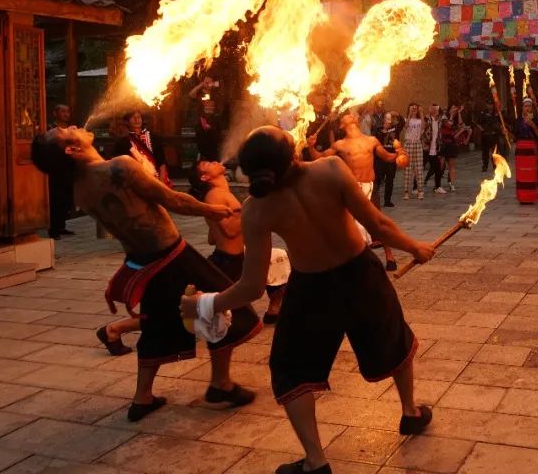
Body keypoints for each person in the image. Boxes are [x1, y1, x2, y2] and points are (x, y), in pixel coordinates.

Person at [182, 126, 435, 474]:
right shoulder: (329, 170)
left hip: (312, 290)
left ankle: (316, 462)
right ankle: (410, 412)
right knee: (393, 339)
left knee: (291, 369)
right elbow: (376, 224)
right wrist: (415, 246)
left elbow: (252, 286)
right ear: (290, 154)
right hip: (360, 275)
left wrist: (206, 304)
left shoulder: (256, 208)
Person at [29, 126, 258, 421]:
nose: (72, 126)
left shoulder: (79, 189)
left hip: (141, 262)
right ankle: (220, 386)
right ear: (70, 150)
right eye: (63, 131)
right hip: (173, 256)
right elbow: (173, 200)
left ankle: (143, 398)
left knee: (156, 324)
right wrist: (212, 211)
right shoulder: (119, 167)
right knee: (226, 307)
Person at [309, 114, 408, 271]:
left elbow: (389, 158)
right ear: (342, 125)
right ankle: (357, 258)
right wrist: (311, 146)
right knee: (352, 225)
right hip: (351, 189)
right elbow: (318, 159)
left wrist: (400, 151)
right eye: (346, 116)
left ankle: (389, 255)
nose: (350, 115)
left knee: (376, 221)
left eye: (352, 115)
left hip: (370, 187)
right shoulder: (340, 145)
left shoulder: (371, 140)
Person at [191, 160, 286, 324]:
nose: (214, 161)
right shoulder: (215, 195)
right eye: (207, 163)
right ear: (205, 177)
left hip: (233, 257)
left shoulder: (220, 192)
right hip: (229, 261)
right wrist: (250, 207)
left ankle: (274, 309)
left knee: (279, 258)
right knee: (215, 308)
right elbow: (230, 230)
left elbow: (212, 238)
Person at [112, 110, 172, 188]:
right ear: (127, 122)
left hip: (156, 179)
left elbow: (162, 162)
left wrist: (161, 184)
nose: (137, 120)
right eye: (133, 118)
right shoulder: (122, 142)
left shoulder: (154, 138)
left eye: (139, 117)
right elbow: (119, 165)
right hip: (135, 183)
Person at [46, 104, 76, 240]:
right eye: (62, 111)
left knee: (67, 199)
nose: (66, 114)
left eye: (67, 111)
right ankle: (53, 229)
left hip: (69, 168)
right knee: (56, 199)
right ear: (55, 113)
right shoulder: (50, 129)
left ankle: (62, 225)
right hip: (55, 169)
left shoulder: (70, 130)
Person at [188, 77, 223, 162]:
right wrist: (201, 85)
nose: (208, 84)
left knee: (213, 148)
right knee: (203, 147)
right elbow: (191, 94)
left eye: (210, 82)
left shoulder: (215, 93)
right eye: (206, 82)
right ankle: (203, 164)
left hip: (213, 124)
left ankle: (213, 165)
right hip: (201, 124)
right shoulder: (199, 93)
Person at [372, 110, 402, 209]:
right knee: (378, 180)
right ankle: (374, 200)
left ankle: (387, 200)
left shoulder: (395, 129)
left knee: (390, 179)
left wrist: (396, 114)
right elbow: (375, 141)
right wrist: (382, 132)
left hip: (391, 158)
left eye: (390, 119)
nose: (388, 121)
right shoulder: (378, 129)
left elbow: (402, 122)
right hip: (380, 159)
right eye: (386, 119)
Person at [400, 104, 426, 201]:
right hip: (408, 144)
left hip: (417, 144)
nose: (414, 109)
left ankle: (420, 191)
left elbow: (423, 126)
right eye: (412, 107)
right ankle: (406, 192)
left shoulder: (420, 120)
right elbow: (405, 127)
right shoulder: (406, 119)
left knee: (419, 169)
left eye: (416, 108)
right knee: (407, 168)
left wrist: (421, 113)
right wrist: (410, 114)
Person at [422, 104, 447, 195]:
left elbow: (448, 122)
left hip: (434, 149)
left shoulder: (439, 121)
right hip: (426, 148)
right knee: (420, 168)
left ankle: (437, 187)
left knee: (438, 168)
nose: (436, 111)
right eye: (434, 109)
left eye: (437, 109)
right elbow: (422, 129)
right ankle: (415, 187)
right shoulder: (427, 119)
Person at [441, 104, 464, 192]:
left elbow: (461, 124)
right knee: (441, 165)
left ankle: (452, 184)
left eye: (455, 108)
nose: (454, 109)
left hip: (452, 143)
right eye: (453, 108)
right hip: (443, 143)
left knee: (452, 165)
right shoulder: (444, 117)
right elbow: (449, 125)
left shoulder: (455, 117)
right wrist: (451, 115)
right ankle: (437, 184)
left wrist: (459, 113)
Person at [475, 103, 500, 172]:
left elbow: (500, 122)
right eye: (488, 104)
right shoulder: (483, 113)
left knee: (494, 152)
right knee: (485, 152)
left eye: (491, 104)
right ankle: (485, 166)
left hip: (494, 135)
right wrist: (482, 129)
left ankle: (495, 165)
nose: (490, 106)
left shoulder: (496, 113)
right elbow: (477, 123)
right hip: (485, 135)